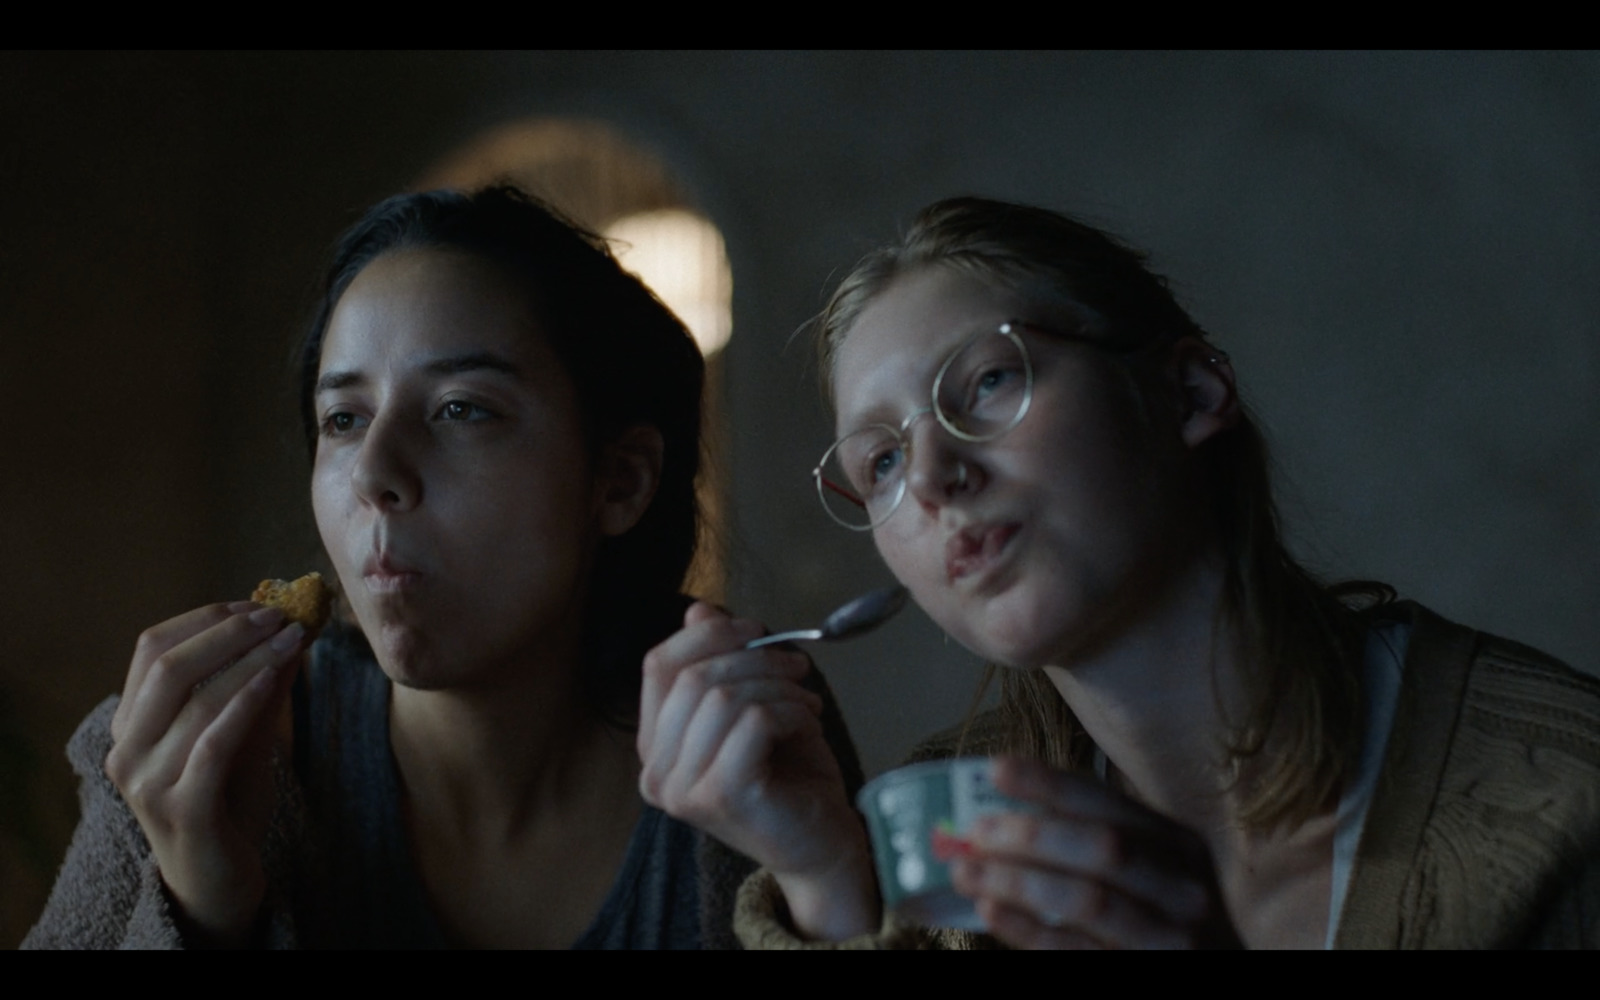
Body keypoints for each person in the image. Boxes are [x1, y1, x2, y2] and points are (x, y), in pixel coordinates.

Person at [637, 196, 1600, 949]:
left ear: (1189, 391)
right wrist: (825, 878)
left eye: (988, 381)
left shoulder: (1563, 799)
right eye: (880, 460)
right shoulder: (942, 838)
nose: (930, 478)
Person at [25, 185, 859, 949]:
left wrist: (825, 886)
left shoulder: (746, 727)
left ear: (619, 480)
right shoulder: (189, 764)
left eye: (461, 409)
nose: (374, 472)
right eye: (343, 419)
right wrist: (204, 907)